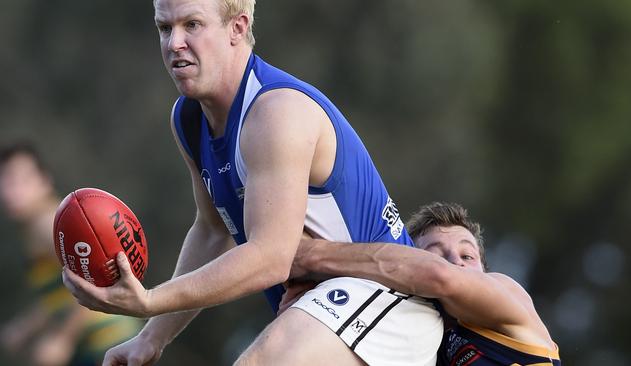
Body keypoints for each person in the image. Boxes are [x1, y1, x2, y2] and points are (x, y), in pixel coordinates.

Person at [61, 0, 443, 365]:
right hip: (327, 314)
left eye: (192, 25)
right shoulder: (189, 119)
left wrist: (151, 300)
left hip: (391, 305)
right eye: (165, 27)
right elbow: (213, 232)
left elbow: (270, 258)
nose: (174, 43)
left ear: (237, 27)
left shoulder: (276, 113)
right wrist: (151, 337)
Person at [288, 202, 561, 365]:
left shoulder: (507, 294)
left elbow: (441, 277)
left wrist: (309, 257)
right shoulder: (417, 344)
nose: (455, 261)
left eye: (468, 255)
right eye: (436, 255)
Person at [0, 143, 142, 366]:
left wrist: (62, 339)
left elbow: (91, 282)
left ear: (44, 181)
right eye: (5, 182)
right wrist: (25, 327)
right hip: (94, 347)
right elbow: (62, 297)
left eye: (21, 181)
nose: (11, 191)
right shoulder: (33, 230)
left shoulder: (48, 226)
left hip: (107, 342)